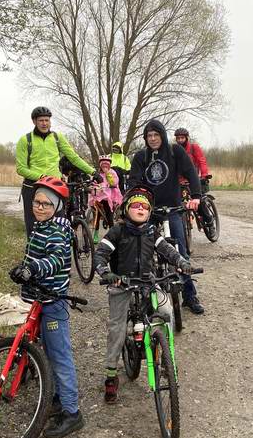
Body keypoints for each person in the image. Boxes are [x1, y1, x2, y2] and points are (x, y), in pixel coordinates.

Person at [93, 186, 192, 403]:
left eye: (145, 206)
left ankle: (166, 360)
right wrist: (107, 273)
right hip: (122, 284)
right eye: (136, 205)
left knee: (166, 312)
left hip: (148, 283)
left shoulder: (151, 232)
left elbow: (167, 250)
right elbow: (100, 254)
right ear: (127, 208)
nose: (141, 208)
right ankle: (111, 375)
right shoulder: (117, 231)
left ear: (150, 212)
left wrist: (182, 262)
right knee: (117, 329)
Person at [8, 176, 84, 438]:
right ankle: (56, 396)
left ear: (57, 207)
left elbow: (54, 260)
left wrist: (31, 269)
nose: (39, 207)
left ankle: (72, 412)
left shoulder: (59, 231)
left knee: (60, 355)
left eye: (46, 204)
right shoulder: (41, 226)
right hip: (40, 298)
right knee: (48, 352)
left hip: (53, 301)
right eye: (36, 202)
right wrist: (23, 267)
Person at [129, 119, 204, 315]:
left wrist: (196, 196)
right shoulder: (140, 157)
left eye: (156, 135)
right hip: (149, 211)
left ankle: (189, 295)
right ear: (145, 138)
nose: (153, 139)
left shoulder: (175, 152)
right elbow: (134, 182)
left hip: (173, 208)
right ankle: (146, 296)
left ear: (162, 135)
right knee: (143, 253)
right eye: (149, 136)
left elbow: (190, 172)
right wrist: (135, 203)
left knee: (181, 252)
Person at [15, 106, 100, 235]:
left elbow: (73, 157)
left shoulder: (56, 137)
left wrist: (92, 172)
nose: (44, 123)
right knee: (33, 227)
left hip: (54, 186)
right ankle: (34, 252)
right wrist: (41, 176)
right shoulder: (25, 140)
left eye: (47, 120)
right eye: (41, 120)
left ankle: (60, 252)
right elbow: (21, 168)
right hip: (33, 186)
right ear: (34, 121)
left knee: (59, 224)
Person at [174, 127, 214, 224]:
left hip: (193, 179)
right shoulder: (174, 150)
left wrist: (204, 175)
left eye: (182, 138)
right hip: (180, 181)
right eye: (178, 138)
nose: (180, 140)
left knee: (200, 202)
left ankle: (209, 222)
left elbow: (201, 161)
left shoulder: (193, 148)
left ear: (186, 138)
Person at [88, 155, 123, 243]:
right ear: (100, 165)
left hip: (109, 196)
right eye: (103, 165)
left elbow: (114, 182)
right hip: (98, 195)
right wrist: (93, 186)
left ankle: (112, 233)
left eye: (106, 164)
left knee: (109, 215)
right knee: (97, 214)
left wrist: (108, 174)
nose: (105, 166)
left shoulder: (112, 172)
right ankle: (95, 233)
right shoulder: (98, 173)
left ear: (109, 165)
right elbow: (93, 182)